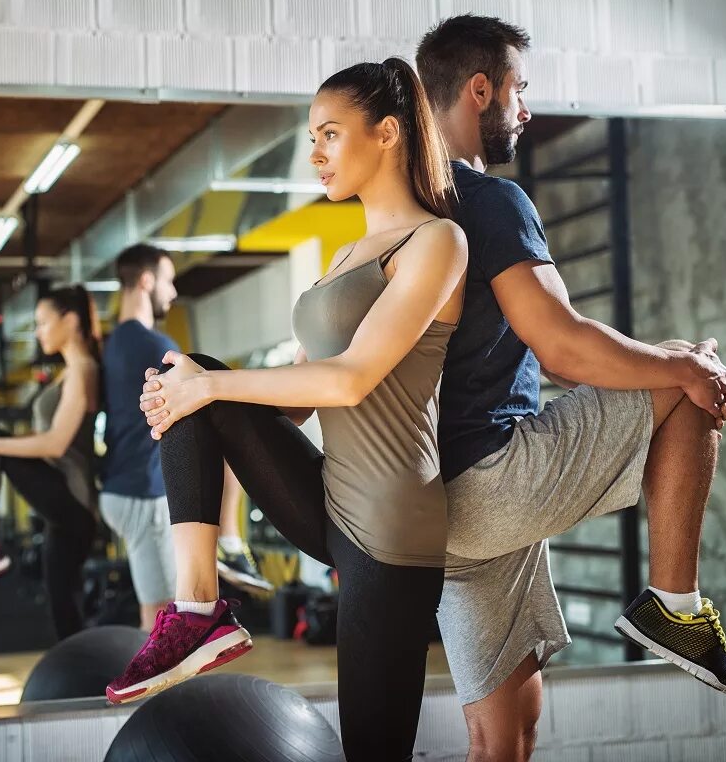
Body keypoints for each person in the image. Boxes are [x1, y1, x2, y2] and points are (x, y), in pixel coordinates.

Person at [414, 15, 726, 761]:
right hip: (492, 479)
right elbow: (565, 346)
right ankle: (676, 603)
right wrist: (682, 368)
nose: (527, 108)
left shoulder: (412, 210)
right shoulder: (490, 202)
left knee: (505, 728)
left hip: (436, 513)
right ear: (481, 90)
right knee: (691, 371)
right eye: (519, 88)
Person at [107, 58, 468, 762]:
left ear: (388, 132)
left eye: (331, 134)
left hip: (393, 530)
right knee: (194, 372)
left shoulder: (435, 242)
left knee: (373, 747)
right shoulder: (342, 256)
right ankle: (197, 610)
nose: (316, 154)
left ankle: (201, 610)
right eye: (312, 138)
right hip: (329, 499)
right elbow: (298, 402)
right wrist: (196, 396)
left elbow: (353, 380)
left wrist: (212, 391)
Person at [100, 245, 270, 633]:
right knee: (161, 617)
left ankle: (226, 544)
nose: (173, 292)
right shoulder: (154, 346)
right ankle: (227, 542)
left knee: (164, 612)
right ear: (146, 281)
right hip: (144, 492)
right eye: (168, 280)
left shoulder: (114, 344)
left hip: (124, 487)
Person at [0, 283, 100, 644]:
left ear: (70, 321)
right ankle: (83, 684)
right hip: (63, 505)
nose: (37, 331)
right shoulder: (65, 373)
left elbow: (56, 444)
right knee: (62, 605)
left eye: (42, 322)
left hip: (74, 502)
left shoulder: (83, 369)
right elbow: (45, 444)